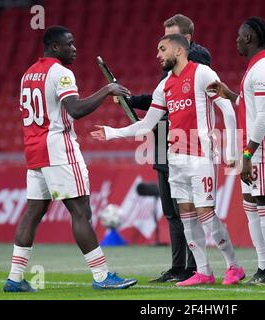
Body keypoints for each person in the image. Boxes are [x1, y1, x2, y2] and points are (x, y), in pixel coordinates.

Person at [92, 33, 245, 286]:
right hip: (175, 160)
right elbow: (146, 125)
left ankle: (234, 266)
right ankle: (204, 272)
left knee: (206, 214)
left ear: (179, 50)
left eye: (162, 49)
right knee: (186, 217)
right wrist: (111, 133)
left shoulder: (203, 73)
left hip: (200, 157)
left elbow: (227, 109)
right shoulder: (164, 86)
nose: (158, 55)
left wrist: (231, 150)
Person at [3, 25, 137, 292]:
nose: (74, 48)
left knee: (33, 212)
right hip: (58, 148)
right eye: (69, 44)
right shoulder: (61, 73)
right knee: (81, 213)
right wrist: (107, 89)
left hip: (33, 149)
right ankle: (101, 276)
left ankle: (15, 279)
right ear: (55, 46)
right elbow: (74, 109)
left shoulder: (28, 74)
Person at [116, 14, 211, 283]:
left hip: (185, 142)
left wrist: (135, 101)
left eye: (169, 38)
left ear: (185, 40)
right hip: (163, 139)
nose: (163, 45)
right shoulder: (169, 67)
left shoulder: (199, 59)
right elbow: (162, 98)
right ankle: (178, 266)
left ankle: (195, 267)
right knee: (171, 211)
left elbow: (176, 97)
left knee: (189, 209)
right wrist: (131, 99)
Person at [207, 17, 265, 286]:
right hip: (254, 148)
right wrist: (228, 93)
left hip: (264, 148)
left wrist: (246, 155)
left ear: (250, 37)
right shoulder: (256, 67)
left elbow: (264, 118)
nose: (236, 40)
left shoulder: (264, 67)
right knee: (251, 207)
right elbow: (249, 104)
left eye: (239, 36)